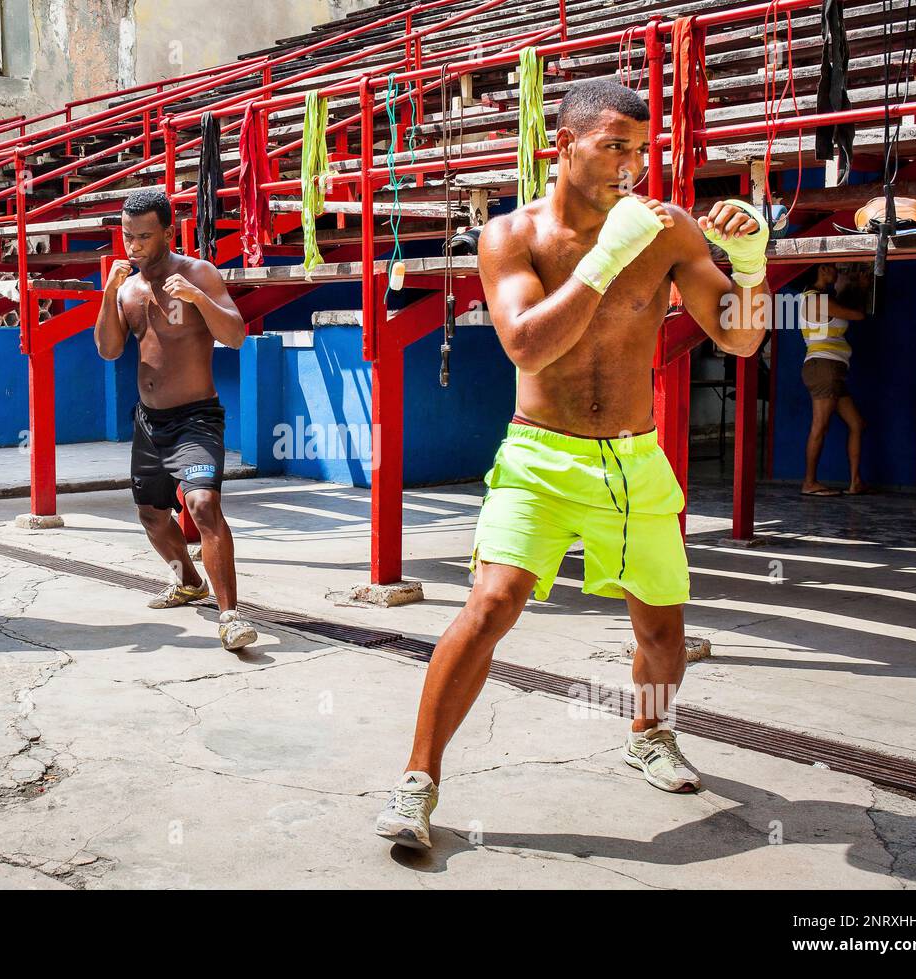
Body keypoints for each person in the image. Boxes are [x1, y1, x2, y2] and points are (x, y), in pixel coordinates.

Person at [375, 79, 772, 849]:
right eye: (614, 145)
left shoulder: (667, 230)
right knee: (491, 603)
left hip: (633, 459)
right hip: (538, 453)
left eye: (641, 148)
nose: (632, 163)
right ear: (565, 145)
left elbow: (742, 339)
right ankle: (417, 779)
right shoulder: (511, 235)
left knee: (662, 629)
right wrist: (605, 259)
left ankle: (649, 732)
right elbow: (525, 343)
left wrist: (751, 267)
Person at [93, 188, 259, 651]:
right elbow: (108, 349)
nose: (135, 246)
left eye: (145, 236)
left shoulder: (198, 273)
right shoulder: (125, 286)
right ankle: (188, 581)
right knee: (150, 515)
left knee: (203, 504)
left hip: (196, 419)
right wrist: (109, 294)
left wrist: (198, 299)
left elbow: (237, 335)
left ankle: (230, 616)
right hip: (148, 421)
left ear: (169, 230)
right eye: (128, 236)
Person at [799, 263, 868, 497]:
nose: (837, 271)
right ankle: (809, 482)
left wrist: (841, 289)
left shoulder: (819, 298)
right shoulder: (818, 300)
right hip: (824, 367)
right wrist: (859, 288)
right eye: (832, 268)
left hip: (833, 369)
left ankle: (855, 482)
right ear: (823, 271)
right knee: (820, 426)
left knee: (857, 424)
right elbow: (858, 314)